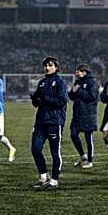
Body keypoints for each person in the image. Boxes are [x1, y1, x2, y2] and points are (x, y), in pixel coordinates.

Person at [30, 55, 69, 189]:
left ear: (56, 67)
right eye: (46, 65)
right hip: (41, 121)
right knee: (35, 149)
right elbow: (37, 103)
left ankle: (54, 180)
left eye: (50, 65)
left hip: (55, 121)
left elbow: (61, 101)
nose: (47, 67)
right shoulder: (41, 83)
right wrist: (34, 99)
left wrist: (44, 98)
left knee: (55, 152)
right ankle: (43, 176)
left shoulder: (60, 83)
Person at [68, 63, 99, 169]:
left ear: (84, 72)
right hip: (77, 114)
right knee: (73, 134)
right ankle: (82, 155)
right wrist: (72, 92)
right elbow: (72, 97)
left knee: (88, 138)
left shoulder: (92, 83)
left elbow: (92, 96)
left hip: (88, 114)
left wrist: (79, 91)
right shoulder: (77, 82)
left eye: (79, 72)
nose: (77, 74)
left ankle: (90, 161)